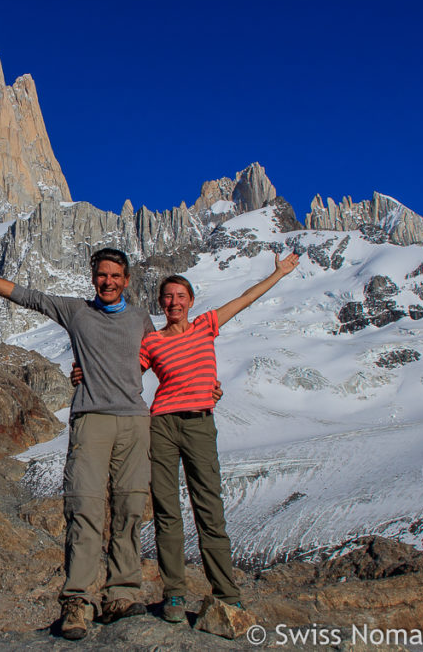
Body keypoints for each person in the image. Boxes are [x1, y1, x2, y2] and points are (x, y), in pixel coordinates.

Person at [0, 242, 153, 640]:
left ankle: (122, 594)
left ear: (126, 281)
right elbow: (25, 296)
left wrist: (206, 383)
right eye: (102, 275)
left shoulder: (141, 319)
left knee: (129, 505)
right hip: (91, 419)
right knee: (84, 507)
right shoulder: (76, 311)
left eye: (115, 276)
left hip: (134, 422)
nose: (108, 281)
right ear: (94, 278)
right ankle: (77, 601)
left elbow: (159, 357)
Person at [75, 252, 299, 622]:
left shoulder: (206, 326)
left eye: (180, 296)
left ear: (191, 302)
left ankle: (227, 592)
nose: (174, 302)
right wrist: (81, 374)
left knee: (210, 510)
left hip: (198, 424)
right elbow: (120, 372)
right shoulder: (151, 342)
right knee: (167, 512)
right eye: (168, 297)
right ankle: (175, 594)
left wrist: (277, 274)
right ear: (160, 303)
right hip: (161, 425)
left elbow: (243, 300)